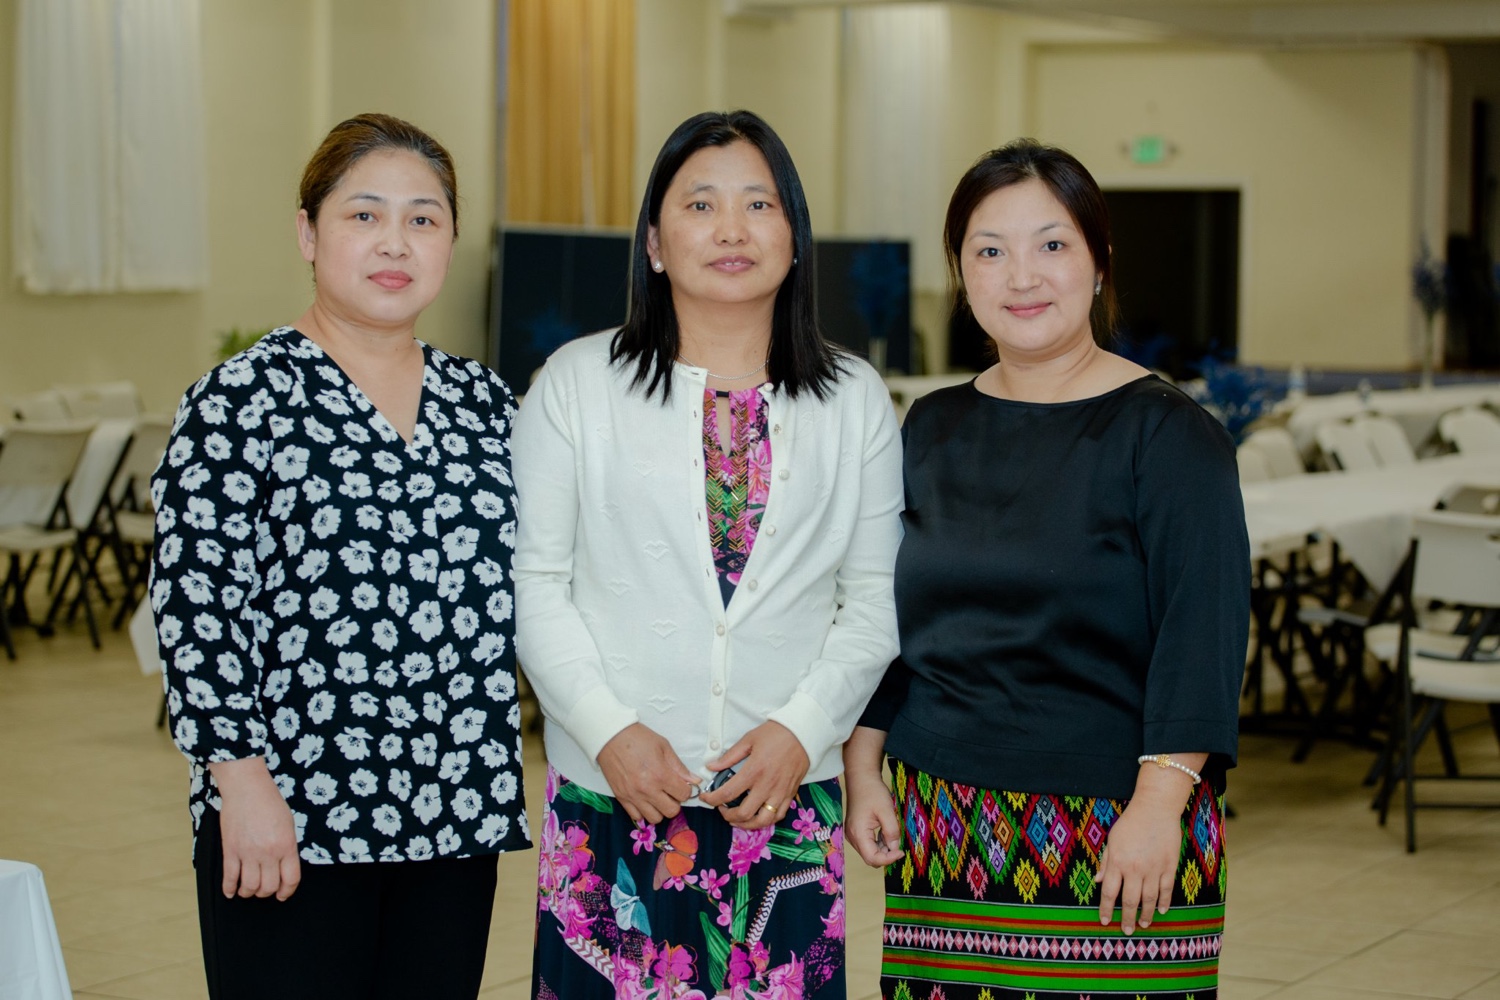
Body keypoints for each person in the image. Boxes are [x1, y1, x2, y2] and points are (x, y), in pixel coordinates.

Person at [843, 139, 1249, 1000]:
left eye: (1052, 245)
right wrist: (864, 765)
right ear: (962, 275)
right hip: (942, 824)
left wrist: (1159, 807)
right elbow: (893, 614)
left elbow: (1203, 636)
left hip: (1115, 822)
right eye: (990, 251)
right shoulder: (932, 426)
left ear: (1099, 263)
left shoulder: (1169, 435)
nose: (1021, 276)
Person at [511, 109, 902, 1000]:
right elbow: (534, 583)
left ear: (795, 240)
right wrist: (606, 729)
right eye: (700, 204)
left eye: (759, 204)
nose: (732, 229)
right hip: (613, 796)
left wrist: (804, 731)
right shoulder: (576, 385)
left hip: (785, 803)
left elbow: (875, 598)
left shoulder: (854, 400)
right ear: (654, 243)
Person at [151, 113, 530, 1000]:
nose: (395, 242)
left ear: (451, 243)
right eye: (364, 215)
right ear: (308, 233)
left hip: (454, 811)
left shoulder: (484, 403)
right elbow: (195, 609)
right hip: (293, 814)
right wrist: (241, 786)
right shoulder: (241, 401)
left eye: (423, 219)